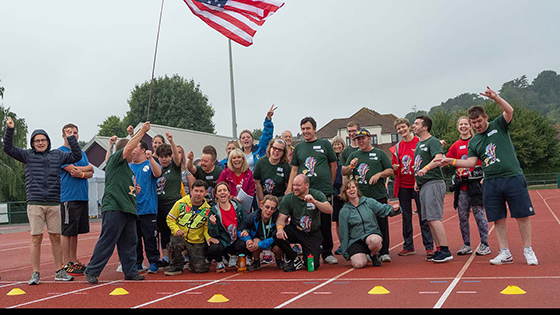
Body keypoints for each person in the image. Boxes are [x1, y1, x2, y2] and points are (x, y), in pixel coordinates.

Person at [440, 87, 538, 266]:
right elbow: (470, 162)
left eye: (478, 121)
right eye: (473, 123)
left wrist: (496, 97)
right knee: (497, 217)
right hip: (490, 181)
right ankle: (505, 252)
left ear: (485, 118)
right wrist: (451, 161)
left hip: (512, 176)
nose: (477, 125)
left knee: (522, 215)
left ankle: (528, 250)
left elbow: (509, 111)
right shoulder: (474, 141)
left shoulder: (498, 125)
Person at [3, 117, 82, 284]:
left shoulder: (58, 155)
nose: (40, 143)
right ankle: (35, 273)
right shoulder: (27, 155)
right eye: (37, 141)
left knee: (55, 237)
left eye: (43, 140)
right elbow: (8, 148)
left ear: (48, 141)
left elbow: (76, 155)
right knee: (36, 237)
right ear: (32, 143)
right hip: (35, 203)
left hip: (53, 202)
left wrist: (71, 138)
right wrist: (10, 129)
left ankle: (59, 271)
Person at [84, 122, 151, 284]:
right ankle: (92, 270)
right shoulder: (115, 160)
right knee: (108, 239)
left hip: (128, 209)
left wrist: (135, 190)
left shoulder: (128, 169)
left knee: (130, 242)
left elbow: (126, 187)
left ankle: (130, 271)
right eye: (134, 148)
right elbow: (128, 148)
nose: (135, 152)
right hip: (114, 207)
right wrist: (142, 131)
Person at [288, 116, 338, 265]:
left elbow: (333, 165)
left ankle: (327, 252)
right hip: (304, 191)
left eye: (308, 128)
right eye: (303, 129)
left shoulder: (325, 144)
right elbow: (294, 169)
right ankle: (310, 248)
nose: (305, 131)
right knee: (305, 220)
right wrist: (290, 188)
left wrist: (330, 183)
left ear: (315, 129)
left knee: (325, 222)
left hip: (323, 189)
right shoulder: (299, 148)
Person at [342, 129, 394, 262]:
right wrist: (350, 167)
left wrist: (379, 174)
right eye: (358, 139)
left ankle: (384, 251)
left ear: (369, 138)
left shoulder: (380, 153)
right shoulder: (354, 155)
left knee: (382, 222)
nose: (360, 141)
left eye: (363, 138)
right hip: (361, 197)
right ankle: (364, 250)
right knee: (361, 224)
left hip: (377, 194)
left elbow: (390, 170)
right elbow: (343, 171)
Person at [445, 116, 490, 256]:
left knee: (479, 215)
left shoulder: (477, 141)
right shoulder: (455, 145)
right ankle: (467, 245)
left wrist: (484, 175)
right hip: (462, 186)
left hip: (476, 185)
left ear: (470, 126)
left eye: (466, 124)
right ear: (458, 127)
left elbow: (486, 158)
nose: (463, 126)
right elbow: (447, 160)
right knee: (462, 217)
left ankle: (485, 244)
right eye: (461, 124)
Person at [412, 116, 453, 263]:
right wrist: (418, 181)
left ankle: (445, 249)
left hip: (433, 182)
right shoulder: (419, 144)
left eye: (416, 123)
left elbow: (439, 157)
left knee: (434, 218)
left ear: (425, 127)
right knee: (429, 219)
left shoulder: (432, 141)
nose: (413, 126)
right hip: (424, 184)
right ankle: (438, 249)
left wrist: (426, 169)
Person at [391, 118, 434, 258]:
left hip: (418, 185)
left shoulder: (419, 142)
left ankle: (429, 246)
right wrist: (394, 168)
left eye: (403, 127)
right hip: (403, 185)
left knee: (424, 216)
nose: (401, 130)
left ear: (409, 127)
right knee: (406, 217)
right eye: (398, 129)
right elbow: (393, 168)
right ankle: (408, 246)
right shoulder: (397, 147)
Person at [274, 174, 333, 272]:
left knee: (312, 266)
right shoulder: (288, 198)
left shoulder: (317, 194)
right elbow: (281, 218)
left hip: (312, 233)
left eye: (298, 185)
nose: (295, 188)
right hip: (296, 230)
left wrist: (314, 202)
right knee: (276, 235)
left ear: (306, 185)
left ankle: (304, 260)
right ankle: (294, 258)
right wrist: (280, 228)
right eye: (293, 185)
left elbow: (329, 210)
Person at [338, 180, 401, 268]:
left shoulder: (368, 202)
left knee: (375, 241)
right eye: (348, 189)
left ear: (357, 189)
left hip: (371, 235)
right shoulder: (344, 211)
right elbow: (343, 233)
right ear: (345, 193)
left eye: (353, 187)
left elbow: (382, 209)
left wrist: (394, 209)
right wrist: (345, 252)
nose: (351, 190)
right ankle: (363, 255)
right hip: (356, 240)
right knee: (359, 264)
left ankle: (374, 254)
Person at [59, 123, 94, 277]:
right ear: (63, 135)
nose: (73, 135)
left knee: (75, 232)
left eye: (75, 132)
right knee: (67, 231)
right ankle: (66, 263)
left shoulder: (81, 153)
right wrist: (84, 170)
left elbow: (91, 171)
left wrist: (82, 172)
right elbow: (71, 170)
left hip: (81, 196)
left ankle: (73, 260)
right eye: (69, 132)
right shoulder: (61, 152)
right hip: (69, 197)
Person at [165, 179, 212, 275]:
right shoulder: (180, 203)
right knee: (175, 243)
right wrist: (176, 230)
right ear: (191, 191)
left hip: (196, 241)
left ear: (206, 193)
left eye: (201, 191)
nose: (198, 194)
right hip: (180, 237)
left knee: (199, 269)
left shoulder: (208, 209)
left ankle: (194, 263)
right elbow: (170, 219)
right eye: (196, 191)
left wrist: (208, 238)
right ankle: (176, 266)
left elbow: (205, 228)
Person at [129, 139, 162, 273]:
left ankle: (153, 261)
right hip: (132, 209)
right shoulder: (129, 166)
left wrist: (151, 158)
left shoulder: (149, 163)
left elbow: (158, 174)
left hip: (148, 209)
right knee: (134, 239)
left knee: (150, 237)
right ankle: (137, 262)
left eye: (135, 147)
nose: (132, 150)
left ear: (142, 149)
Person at [207, 182, 250, 273]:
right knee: (213, 248)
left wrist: (245, 231)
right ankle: (220, 262)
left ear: (229, 193)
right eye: (219, 191)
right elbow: (212, 233)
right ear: (216, 195)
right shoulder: (213, 211)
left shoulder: (237, 207)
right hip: (223, 241)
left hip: (237, 239)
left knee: (245, 243)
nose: (222, 192)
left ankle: (240, 258)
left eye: (224, 190)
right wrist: (213, 224)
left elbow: (246, 222)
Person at [155, 132, 183, 268]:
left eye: (166, 156)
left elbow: (177, 159)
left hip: (173, 204)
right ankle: (165, 257)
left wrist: (171, 142)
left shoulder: (175, 167)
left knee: (176, 231)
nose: (164, 159)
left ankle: (180, 256)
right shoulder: (157, 169)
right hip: (160, 204)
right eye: (161, 157)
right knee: (163, 231)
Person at [239, 194, 282, 270]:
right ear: (261, 206)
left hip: (272, 240)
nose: (269, 211)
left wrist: (259, 245)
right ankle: (256, 262)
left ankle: (279, 261)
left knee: (279, 245)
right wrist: (248, 239)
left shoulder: (277, 218)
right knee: (254, 241)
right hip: (258, 239)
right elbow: (241, 229)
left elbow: (275, 237)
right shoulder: (253, 216)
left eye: (272, 208)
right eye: (267, 207)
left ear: (275, 210)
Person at [217, 149, 255, 213]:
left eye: (239, 157)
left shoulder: (249, 174)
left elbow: (251, 191)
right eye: (234, 158)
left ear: (243, 160)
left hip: (244, 209)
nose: (236, 160)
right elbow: (219, 190)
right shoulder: (225, 173)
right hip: (227, 207)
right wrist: (232, 198)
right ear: (231, 161)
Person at [239, 105, 276, 171]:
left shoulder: (259, 150)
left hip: (257, 180)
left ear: (252, 140)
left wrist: (268, 119)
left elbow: (266, 136)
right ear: (240, 141)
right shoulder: (237, 154)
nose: (246, 139)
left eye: (248, 137)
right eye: (243, 138)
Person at [253, 138, 291, 202]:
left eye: (280, 150)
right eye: (274, 148)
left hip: (280, 198)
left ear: (283, 153)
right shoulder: (261, 162)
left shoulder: (286, 166)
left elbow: (287, 185)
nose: (276, 151)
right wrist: (261, 201)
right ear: (270, 148)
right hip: (264, 197)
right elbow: (257, 183)